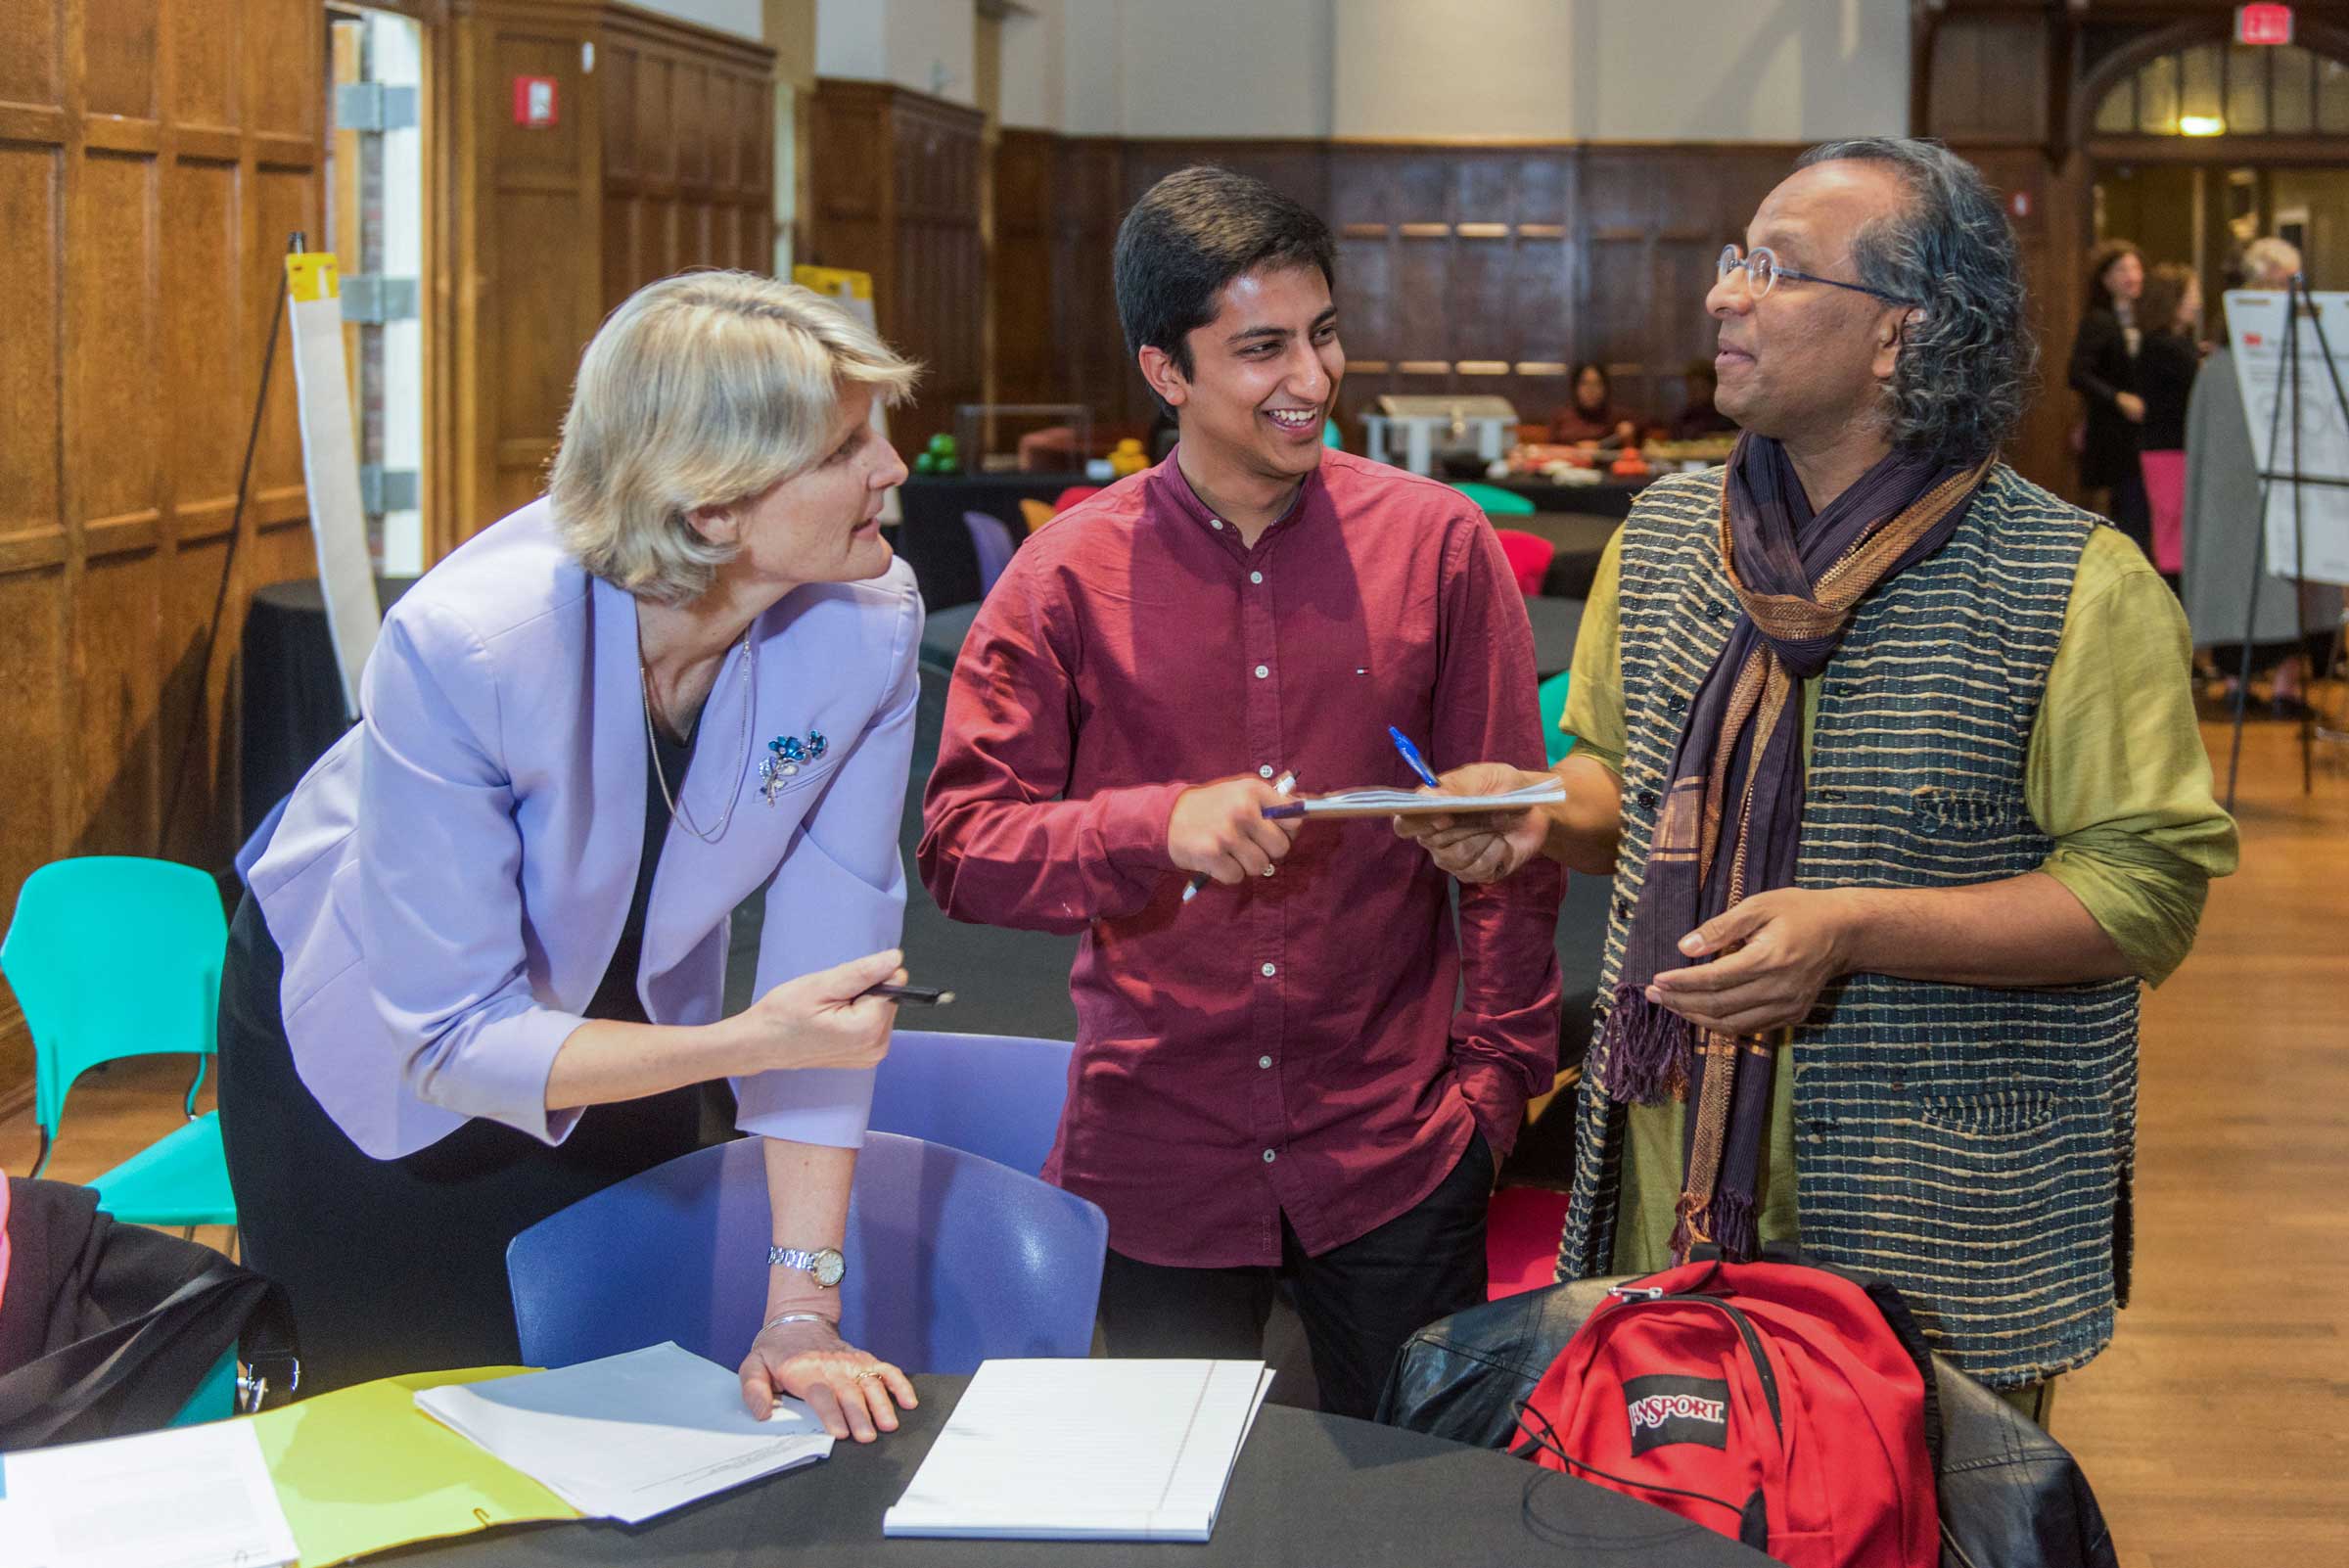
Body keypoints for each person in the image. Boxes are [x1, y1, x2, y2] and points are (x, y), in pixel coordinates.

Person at [1394, 138, 2237, 1418]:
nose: (1726, 294)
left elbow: (2142, 892)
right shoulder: (1675, 535)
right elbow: (1615, 782)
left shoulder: (2074, 581)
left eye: (1776, 271)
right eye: (1735, 260)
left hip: (1937, 1225)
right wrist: (1526, 809)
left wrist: (1850, 927)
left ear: (1901, 334)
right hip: (1676, 1194)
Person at [222, 273, 926, 1439]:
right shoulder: (471, 645)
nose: (891, 468)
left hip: (633, 1030)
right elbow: (448, 1033)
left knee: (624, 1407)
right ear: (711, 508)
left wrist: (803, 1307)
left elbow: (831, 993)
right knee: (412, 1432)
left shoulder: (869, 623)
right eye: (847, 445)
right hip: (385, 1048)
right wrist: (741, 1043)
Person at [918, 166, 1563, 1419]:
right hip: (1157, 1150)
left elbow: (1510, 837)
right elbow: (960, 846)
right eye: (1263, 349)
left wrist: (1497, 1087)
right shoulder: (1064, 577)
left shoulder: (1436, 545)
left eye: (1323, 336)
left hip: (1396, 1149)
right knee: (1178, 1514)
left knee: (1414, 1516)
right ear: (1167, 371)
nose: (1313, 381)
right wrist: (1151, 827)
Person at [2184, 235, 2337, 712]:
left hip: (2293, 475)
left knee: (2295, 573)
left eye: (2293, 281)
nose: (2286, 292)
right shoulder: (2224, 353)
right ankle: (2235, 682)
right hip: (2234, 478)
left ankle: (2287, 685)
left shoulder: (2310, 334)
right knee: (2232, 567)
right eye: (2276, 281)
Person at [2069, 238, 2153, 561]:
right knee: (2125, 508)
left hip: (2142, 431)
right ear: (2106, 279)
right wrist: (2118, 398)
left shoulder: (2146, 318)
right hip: (2114, 431)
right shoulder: (2099, 320)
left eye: (2135, 268)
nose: (2132, 275)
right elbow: (2077, 373)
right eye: (2122, 269)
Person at [2134, 262, 2202, 585]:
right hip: (2167, 449)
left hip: (2174, 447)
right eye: (2191, 294)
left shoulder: (2179, 343)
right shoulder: (2161, 345)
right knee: (2172, 535)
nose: (2197, 302)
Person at [1549, 361, 1641, 447]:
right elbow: (1550, 449)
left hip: (1606, 463)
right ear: (1575, 388)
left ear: (1605, 388)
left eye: (1597, 384)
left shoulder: (1614, 414)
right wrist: (1576, 446)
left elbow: (1642, 422)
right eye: (1585, 383)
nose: (1591, 390)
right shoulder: (1562, 416)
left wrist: (1630, 429)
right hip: (1570, 462)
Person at [1668, 357, 1737, 440]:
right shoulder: (1685, 417)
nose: (1694, 393)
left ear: (1713, 387)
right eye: (1690, 388)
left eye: (1699, 388)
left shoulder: (1727, 416)